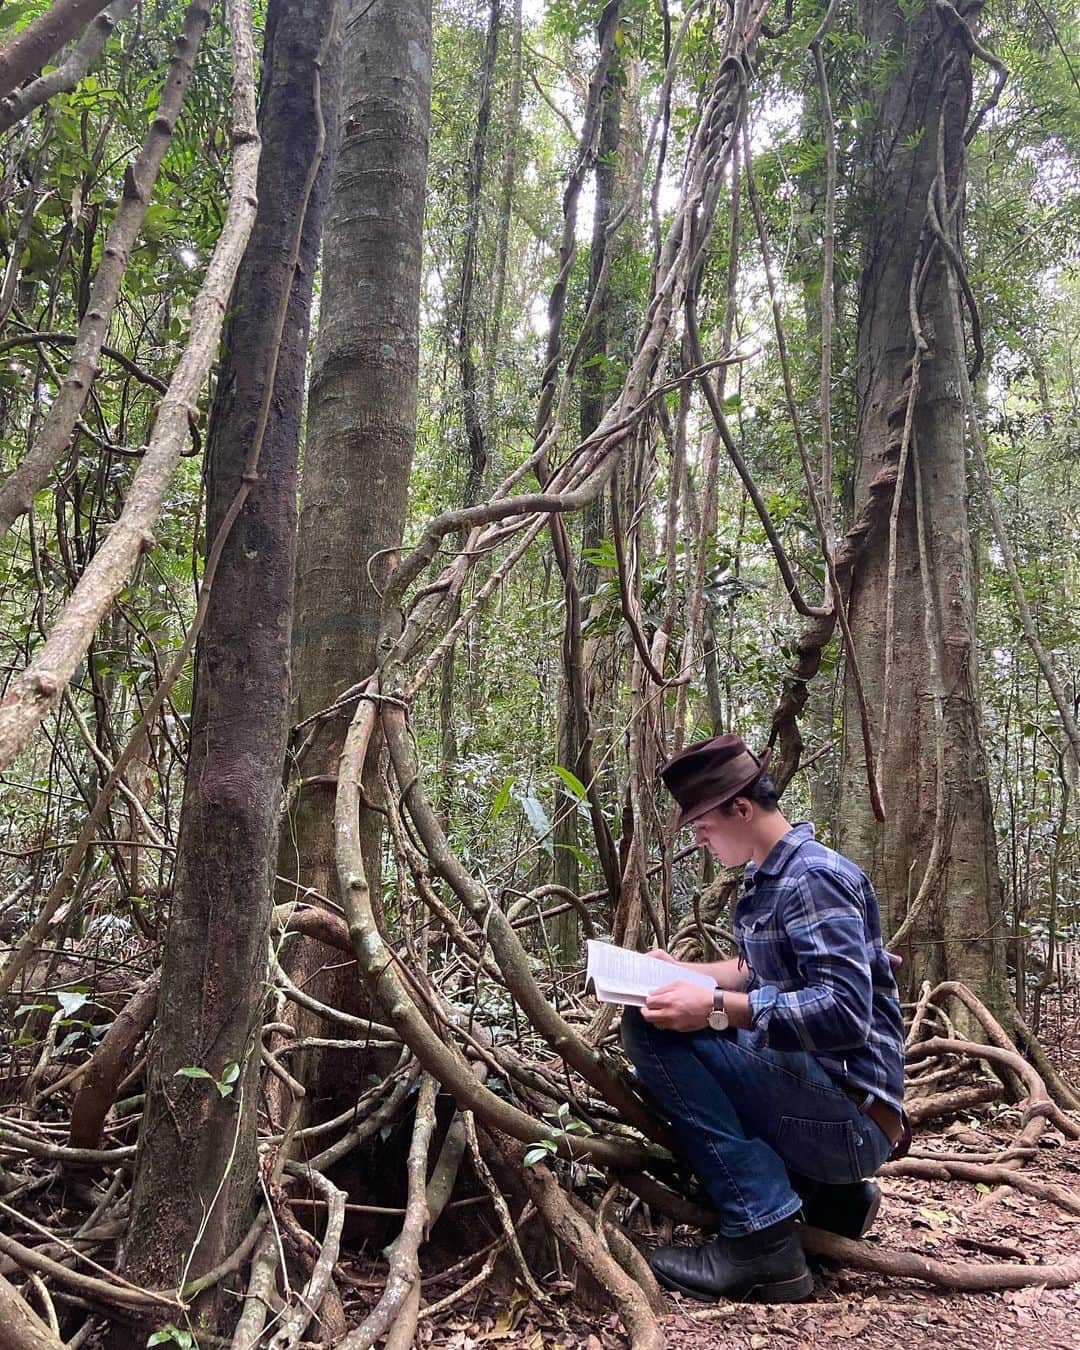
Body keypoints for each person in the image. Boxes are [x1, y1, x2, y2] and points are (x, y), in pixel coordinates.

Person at [621, 733, 907, 1304]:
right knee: (657, 1007)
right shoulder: (771, 874)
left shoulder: (813, 878)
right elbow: (757, 972)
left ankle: (762, 1238)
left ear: (742, 809)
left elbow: (844, 1012)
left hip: (851, 1120)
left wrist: (715, 1010)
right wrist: (685, 972)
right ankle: (830, 1202)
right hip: (833, 1108)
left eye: (702, 824)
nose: (698, 837)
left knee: (649, 1030)